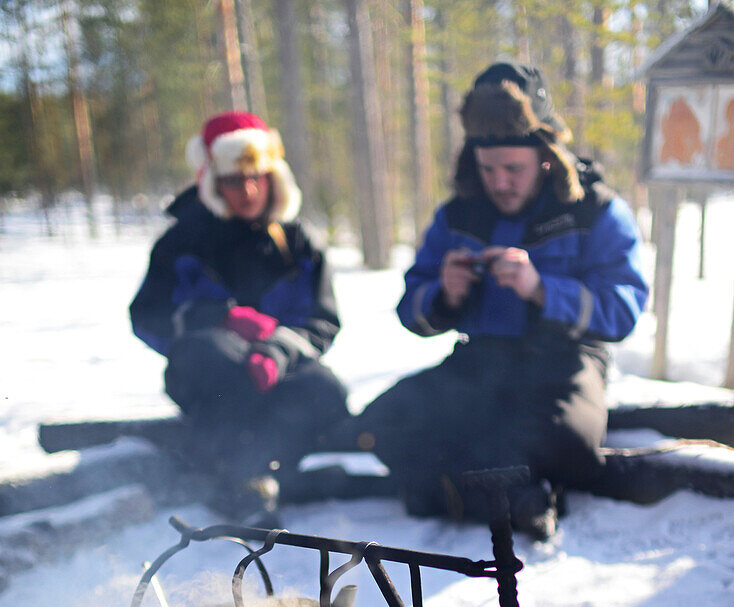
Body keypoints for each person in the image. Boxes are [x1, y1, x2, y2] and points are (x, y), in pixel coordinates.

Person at [351, 62, 649, 538]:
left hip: (564, 364)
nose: (500, 182)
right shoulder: (458, 213)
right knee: (380, 424)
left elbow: (624, 309)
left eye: (514, 168)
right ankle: (515, 499)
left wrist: (541, 289)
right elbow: (411, 306)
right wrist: (443, 295)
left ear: (547, 157)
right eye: (488, 169)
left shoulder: (596, 210)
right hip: (480, 361)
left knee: (571, 443)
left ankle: (446, 490)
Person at [130, 110, 347, 514]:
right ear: (212, 181)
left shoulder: (298, 242)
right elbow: (146, 316)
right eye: (233, 181)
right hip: (212, 376)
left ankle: (274, 470)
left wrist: (278, 349)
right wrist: (219, 319)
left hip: (279, 371)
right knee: (208, 355)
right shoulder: (181, 242)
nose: (248, 191)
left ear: (273, 178)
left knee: (327, 391)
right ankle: (231, 475)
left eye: (256, 178)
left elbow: (321, 320)